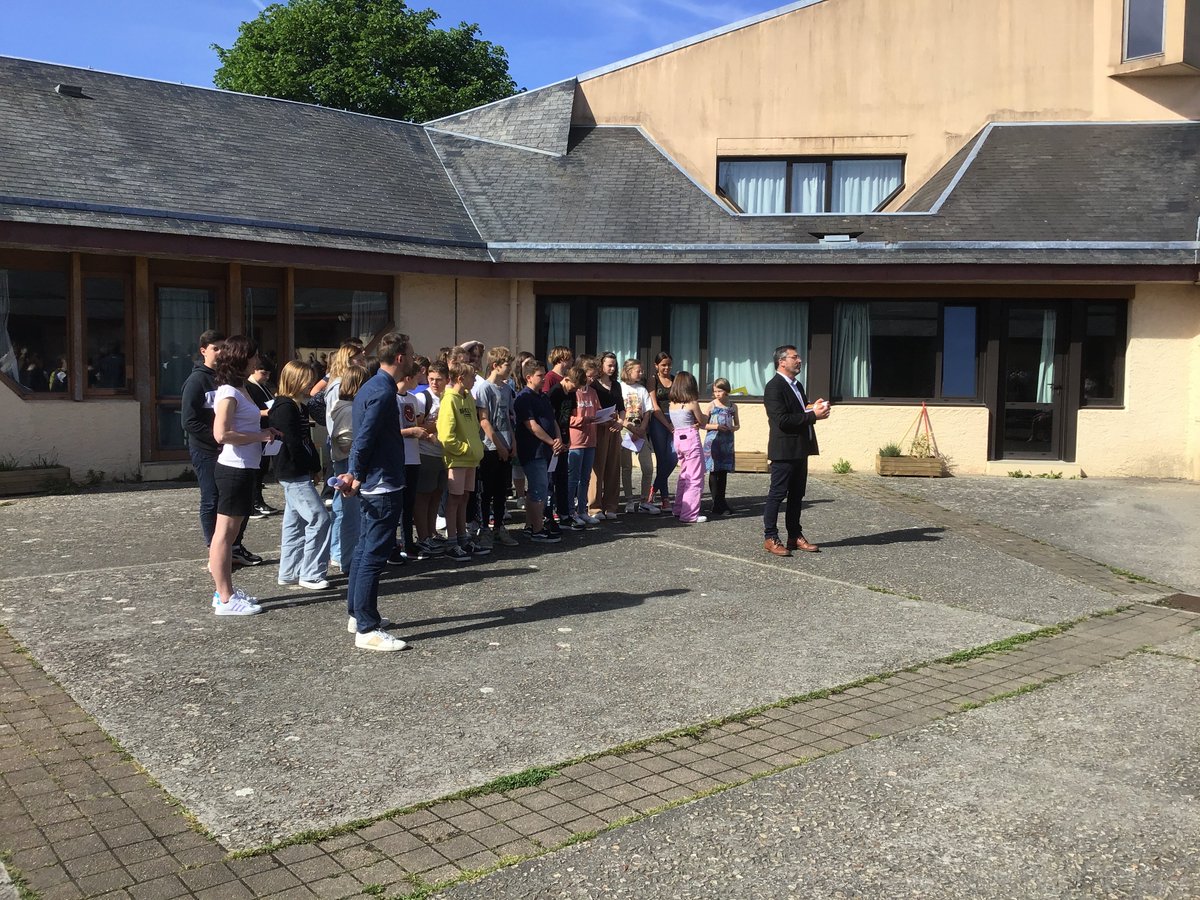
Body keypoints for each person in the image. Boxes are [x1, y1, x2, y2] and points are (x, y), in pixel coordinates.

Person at [335, 332, 412, 652]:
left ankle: (358, 615)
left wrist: (356, 473)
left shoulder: (372, 385)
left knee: (365, 548)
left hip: (375, 479)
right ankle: (367, 628)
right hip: (382, 482)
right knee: (374, 554)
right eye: (410, 355)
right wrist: (356, 473)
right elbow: (364, 437)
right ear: (400, 358)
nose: (412, 359)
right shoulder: (382, 391)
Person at [209, 335, 281, 615]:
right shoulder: (229, 391)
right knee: (225, 535)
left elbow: (245, 425)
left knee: (231, 534)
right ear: (242, 358)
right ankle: (225, 598)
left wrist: (264, 432)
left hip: (245, 467)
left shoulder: (241, 388)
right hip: (234, 469)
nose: (257, 360)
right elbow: (221, 434)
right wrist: (259, 436)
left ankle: (224, 592)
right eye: (253, 356)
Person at [181, 330, 263, 568]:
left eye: (222, 348)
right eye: (215, 348)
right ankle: (215, 551)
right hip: (207, 450)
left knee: (237, 505)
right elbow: (190, 421)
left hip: (233, 450)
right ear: (203, 351)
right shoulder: (197, 381)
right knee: (212, 499)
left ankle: (233, 548)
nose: (219, 352)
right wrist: (220, 440)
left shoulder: (234, 383)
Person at [762, 345, 831, 557]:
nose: (799, 360)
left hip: (800, 448)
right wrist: (812, 416)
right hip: (784, 450)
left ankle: (794, 535)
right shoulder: (774, 387)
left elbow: (798, 411)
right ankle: (770, 537)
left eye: (798, 357)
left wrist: (812, 408)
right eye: (795, 357)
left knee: (797, 495)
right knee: (777, 494)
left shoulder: (796, 385)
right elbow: (782, 420)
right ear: (782, 362)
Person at [268, 361, 332, 590]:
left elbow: (305, 441)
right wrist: (311, 466)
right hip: (292, 471)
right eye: (306, 380)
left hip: (298, 470)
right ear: (295, 380)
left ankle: (290, 571)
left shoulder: (298, 407)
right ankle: (311, 573)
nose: (310, 384)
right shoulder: (284, 407)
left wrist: (314, 467)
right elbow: (294, 444)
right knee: (320, 518)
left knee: (294, 522)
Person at [438, 358, 488, 561]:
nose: (475, 380)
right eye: (472, 377)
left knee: (464, 498)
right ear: (460, 378)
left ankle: (463, 538)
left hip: (471, 459)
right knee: (454, 499)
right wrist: (465, 449)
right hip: (458, 458)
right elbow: (445, 435)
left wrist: (474, 450)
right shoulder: (449, 399)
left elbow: (474, 427)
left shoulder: (468, 398)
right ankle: (452, 542)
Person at [512, 358, 563, 544]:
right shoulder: (523, 398)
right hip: (533, 451)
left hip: (547, 450)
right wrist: (551, 441)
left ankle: (530, 525)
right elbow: (531, 426)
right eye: (540, 375)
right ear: (528, 377)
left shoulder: (543, 396)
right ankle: (538, 529)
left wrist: (558, 438)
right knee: (538, 489)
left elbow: (553, 419)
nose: (544, 379)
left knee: (539, 488)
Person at [474, 346, 518, 548]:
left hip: (506, 443)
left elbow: (508, 417)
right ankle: (484, 528)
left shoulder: (507, 389)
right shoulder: (485, 389)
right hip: (489, 447)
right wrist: (498, 445)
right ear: (495, 365)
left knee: (502, 490)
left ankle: (499, 527)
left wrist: (512, 442)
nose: (509, 369)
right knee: (487, 491)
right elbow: (484, 420)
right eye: (507, 365)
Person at [328, 365, 368, 572]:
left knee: (342, 510)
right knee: (350, 514)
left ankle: (338, 553)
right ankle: (347, 558)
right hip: (347, 462)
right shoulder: (349, 409)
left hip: (344, 461)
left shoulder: (344, 407)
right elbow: (345, 443)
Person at [413, 361, 449, 559]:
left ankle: (432, 532)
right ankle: (423, 536)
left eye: (439, 379)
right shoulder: (422, 398)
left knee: (436, 494)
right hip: (425, 452)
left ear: (447, 380)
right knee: (423, 496)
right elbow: (418, 426)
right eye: (432, 379)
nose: (435, 383)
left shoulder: (447, 397)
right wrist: (438, 424)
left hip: (442, 453)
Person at [392, 361, 427, 562]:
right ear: (408, 378)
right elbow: (390, 431)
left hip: (413, 456)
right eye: (417, 378)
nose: (419, 381)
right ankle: (394, 545)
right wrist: (412, 431)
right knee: (396, 504)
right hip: (399, 457)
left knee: (409, 503)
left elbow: (415, 423)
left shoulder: (413, 399)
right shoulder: (391, 398)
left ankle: (408, 542)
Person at [618, 358, 660, 515]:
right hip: (625, 431)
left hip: (641, 431)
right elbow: (616, 413)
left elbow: (648, 412)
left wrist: (641, 429)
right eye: (638, 370)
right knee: (626, 467)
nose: (641, 373)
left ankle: (644, 501)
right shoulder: (619, 387)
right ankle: (629, 500)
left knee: (648, 467)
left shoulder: (642, 389)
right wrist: (630, 428)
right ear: (628, 371)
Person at [587, 351, 625, 520]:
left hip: (614, 428)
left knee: (613, 467)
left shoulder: (616, 385)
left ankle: (611, 506)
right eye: (609, 365)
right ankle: (595, 507)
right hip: (599, 428)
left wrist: (621, 421)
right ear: (600, 365)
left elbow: (621, 407)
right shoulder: (594, 385)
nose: (612, 368)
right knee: (598, 467)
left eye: (614, 365)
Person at [668, 371, 708, 524]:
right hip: (691, 439)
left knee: (684, 475)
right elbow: (702, 421)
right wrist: (706, 414)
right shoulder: (692, 403)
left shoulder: (672, 404)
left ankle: (679, 508)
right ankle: (689, 514)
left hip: (678, 439)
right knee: (695, 477)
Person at [567, 364, 600, 527]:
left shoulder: (593, 392)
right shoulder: (573, 392)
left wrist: (606, 416)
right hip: (576, 440)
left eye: (594, 376)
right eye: (589, 376)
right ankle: (569, 511)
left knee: (585, 478)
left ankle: (582, 510)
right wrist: (583, 420)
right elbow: (567, 418)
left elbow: (598, 410)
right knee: (573, 478)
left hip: (591, 439)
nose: (591, 379)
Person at [245, 360, 277, 518]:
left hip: (266, 431)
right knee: (256, 470)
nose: (266, 377)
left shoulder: (263, 387)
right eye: (263, 373)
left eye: (269, 374)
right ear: (254, 370)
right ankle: (253, 502)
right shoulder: (248, 387)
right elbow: (250, 410)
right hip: (257, 431)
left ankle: (258, 500)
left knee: (262, 468)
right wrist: (266, 412)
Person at [703, 377, 740, 516]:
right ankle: (716, 503)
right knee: (714, 471)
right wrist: (717, 426)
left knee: (723, 472)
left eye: (720, 391)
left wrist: (733, 428)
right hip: (713, 441)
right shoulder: (711, 405)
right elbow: (703, 424)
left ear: (726, 391)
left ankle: (722, 500)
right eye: (715, 391)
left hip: (726, 441)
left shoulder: (732, 406)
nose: (717, 394)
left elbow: (737, 424)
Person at [647, 352, 677, 511]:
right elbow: (654, 406)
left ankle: (654, 488)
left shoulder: (675, 379)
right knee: (662, 459)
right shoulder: (653, 380)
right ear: (656, 365)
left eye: (669, 365)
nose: (666, 368)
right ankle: (665, 499)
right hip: (658, 421)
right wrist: (667, 425)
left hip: (674, 419)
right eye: (663, 365)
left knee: (673, 457)